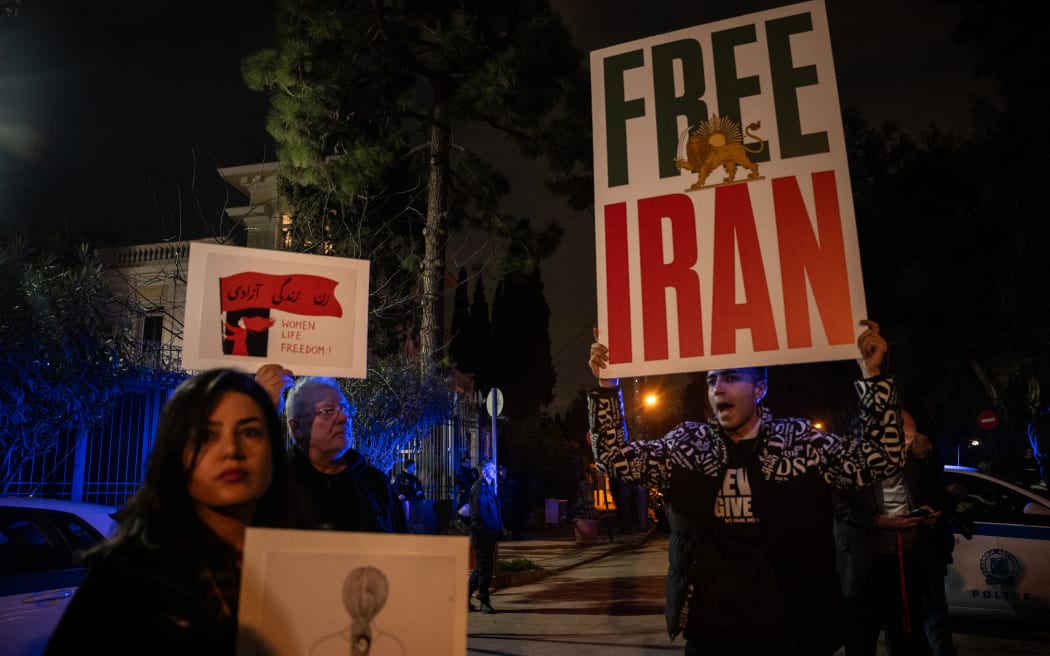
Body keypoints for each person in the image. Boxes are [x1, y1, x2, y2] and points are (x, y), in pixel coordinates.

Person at [587, 320, 904, 656]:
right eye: (711, 381)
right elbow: (613, 459)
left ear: (760, 388)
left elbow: (882, 457)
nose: (717, 389)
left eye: (731, 377)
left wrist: (873, 377)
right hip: (709, 636)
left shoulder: (799, 442)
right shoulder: (686, 445)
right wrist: (608, 385)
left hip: (791, 635)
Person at [45, 368, 308, 655]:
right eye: (207, 435)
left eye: (250, 432)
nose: (231, 449)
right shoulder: (125, 578)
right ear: (175, 454)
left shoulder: (306, 561)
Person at [834, 410, 941, 656]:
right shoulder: (850, 462)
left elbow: (918, 494)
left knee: (906, 635)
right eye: (903, 438)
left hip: (907, 560)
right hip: (865, 565)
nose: (907, 446)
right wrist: (878, 520)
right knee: (862, 637)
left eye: (910, 440)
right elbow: (837, 506)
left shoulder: (909, 463)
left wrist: (923, 513)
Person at [256, 364, 406, 533]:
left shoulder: (375, 483)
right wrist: (262, 409)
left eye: (344, 409)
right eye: (328, 411)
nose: (343, 418)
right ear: (296, 428)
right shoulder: (276, 481)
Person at [468, 459, 502, 614]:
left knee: (482, 567)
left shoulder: (488, 487)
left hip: (489, 533)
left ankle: (465, 597)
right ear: (484, 472)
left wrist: (498, 528)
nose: (495, 472)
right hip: (483, 534)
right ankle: (483, 600)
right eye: (492, 469)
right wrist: (488, 530)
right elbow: (478, 514)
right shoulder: (479, 488)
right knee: (485, 568)